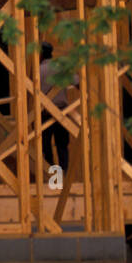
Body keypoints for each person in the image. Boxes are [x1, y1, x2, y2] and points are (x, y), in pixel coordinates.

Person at [39, 43, 78, 172]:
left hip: (44, 113)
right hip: (61, 112)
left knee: (45, 146)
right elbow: (78, 83)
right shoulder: (60, 68)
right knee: (62, 146)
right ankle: (64, 177)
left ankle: (52, 175)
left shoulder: (38, 70)